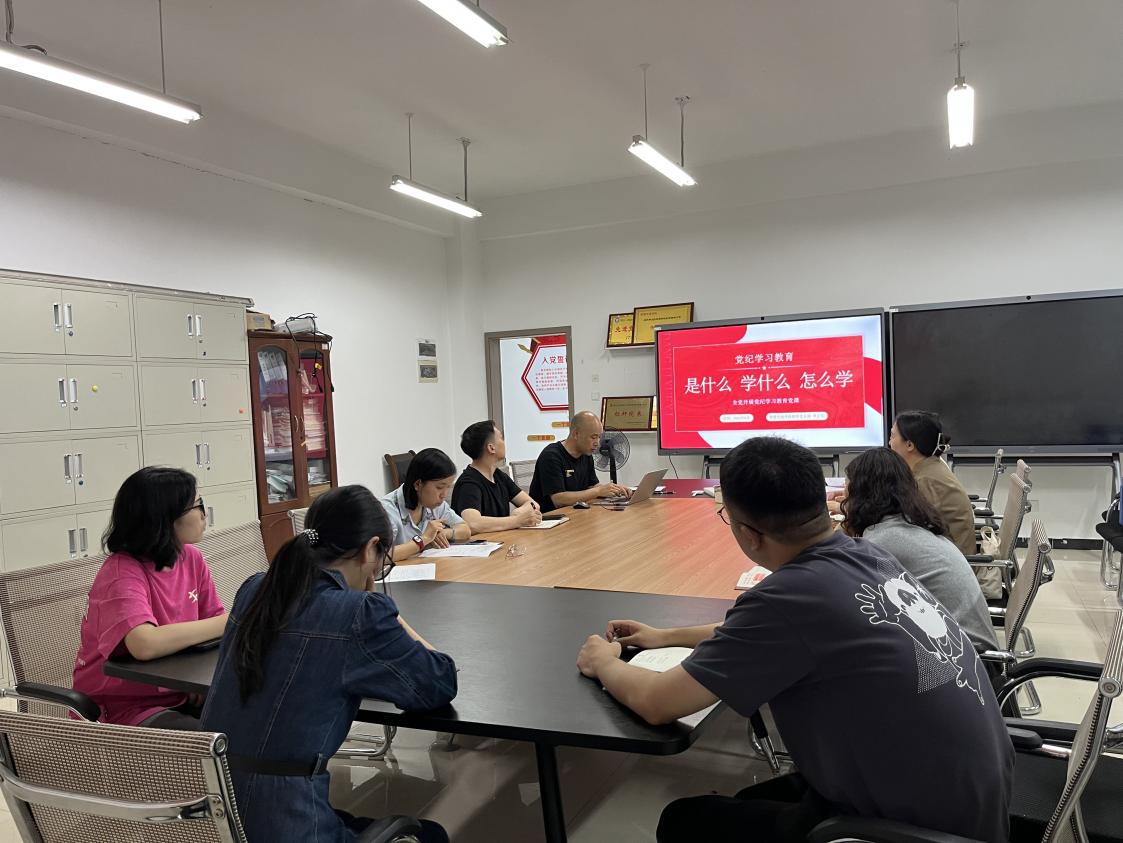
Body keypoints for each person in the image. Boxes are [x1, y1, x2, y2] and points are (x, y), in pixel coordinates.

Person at [576, 437, 1013, 843]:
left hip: (912, 829)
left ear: (748, 533)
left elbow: (656, 702)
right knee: (748, 804)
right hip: (969, 803)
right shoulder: (866, 554)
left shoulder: (789, 598)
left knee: (683, 821)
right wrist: (665, 636)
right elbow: (767, 631)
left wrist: (602, 661)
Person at [200, 485, 455, 843]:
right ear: (370, 548)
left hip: (213, 812)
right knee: (431, 834)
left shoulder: (254, 589)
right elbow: (438, 682)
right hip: (286, 824)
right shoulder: (358, 613)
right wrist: (386, 612)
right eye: (382, 558)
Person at [72, 466, 227, 729]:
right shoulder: (121, 572)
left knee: (256, 722)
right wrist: (232, 621)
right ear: (165, 518)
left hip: (176, 692)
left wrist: (198, 679)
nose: (204, 513)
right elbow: (143, 643)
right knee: (220, 742)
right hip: (124, 709)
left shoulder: (191, 558)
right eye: (197, 505)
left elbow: (214, 627)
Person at [841, 447, 997, 652]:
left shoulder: (884, 540)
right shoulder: (906, 524)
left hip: (968, 657)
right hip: (970, 646)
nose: (844, 494)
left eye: (847, 486)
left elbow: (847, 595)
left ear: (859, 493)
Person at [890, 410, 977, 556]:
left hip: (950, 560)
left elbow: (907, 527)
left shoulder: (925, 481)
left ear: (909, 445)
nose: (889, 443)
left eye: (893, 436)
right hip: (947, 553)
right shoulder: (930, 466)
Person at [528, 411, 629, 512]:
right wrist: (598, 491)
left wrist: (614, 489)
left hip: (575, 512)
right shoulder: (551, 456)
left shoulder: (586, 454)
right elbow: (558, 500)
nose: (597, 444)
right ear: (576, 434)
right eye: (593, 437)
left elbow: (592, 486)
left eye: (599, 437)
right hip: (550, 517)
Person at [381, 448, 470, 560]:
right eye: (439, 487)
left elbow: (465, 530)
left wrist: (443, 533)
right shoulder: (386, 510)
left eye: (448, 487)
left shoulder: (435, 504)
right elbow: (379, 557)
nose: (444, 495)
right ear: (418, 484)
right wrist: (424, 539)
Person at [452, 420, 543, 531]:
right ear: (491, 448)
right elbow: (472, 523)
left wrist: (519, 513)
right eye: (501, 438)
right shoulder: (469, 483)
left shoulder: (499, 476)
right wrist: (517, 520)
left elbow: (533, 504)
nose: (504, 442)